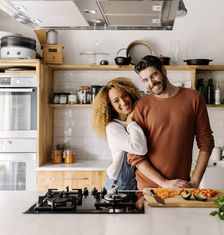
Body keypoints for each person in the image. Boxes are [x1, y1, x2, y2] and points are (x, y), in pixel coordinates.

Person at [128, 55, 215, 189]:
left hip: (181, 186)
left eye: (154, 75)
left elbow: (206, 142)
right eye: (145, 80)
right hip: (148, 187)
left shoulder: (194, 98)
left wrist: (195, 182)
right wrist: (163, 182)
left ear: (164, 70)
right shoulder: (141, 106)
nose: (151, 83)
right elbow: (135, 155)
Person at [92, 77, 147, 190]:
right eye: (116, 101)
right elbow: (140, 148)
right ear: (110, 106)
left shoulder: (137, 121)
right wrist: (130, 122)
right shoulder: (113, 127)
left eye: (124, 95)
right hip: (120, 184)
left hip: (136, 182)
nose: (123, 102)